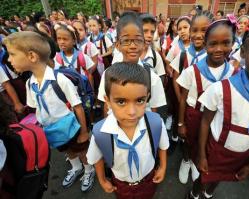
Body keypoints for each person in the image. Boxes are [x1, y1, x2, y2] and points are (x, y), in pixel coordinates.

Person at [187, 18, 249, 199]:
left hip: (244, 154)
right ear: (243, 52)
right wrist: (201, 154)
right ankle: (194, 194)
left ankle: (209, 193)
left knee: (220, 179)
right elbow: (205, 122)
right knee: (205, 176)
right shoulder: (221, 89)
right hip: (215, 150)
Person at [3, 31, 95, 192]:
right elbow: (36, 108)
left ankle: (89, 170)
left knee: (80, 149)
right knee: (66, 149)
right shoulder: (30, 83)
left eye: (12, 54)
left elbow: (78, 106)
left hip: (71, 126)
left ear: (32, 56)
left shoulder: (60, 80)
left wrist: (84, 132)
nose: (9, 59)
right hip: (52, 129)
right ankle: (76, 168)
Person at [87, 62, 169, 199]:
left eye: (140, 100)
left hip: (148, 179)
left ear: (147, 97)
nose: (132, 112)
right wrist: (102, 179)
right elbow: (97, 157)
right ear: (107, 101)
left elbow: (163, 146)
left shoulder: (155, 122)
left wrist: (163, 166)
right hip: (120, 183)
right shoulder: (101, 132)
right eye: (121, 102)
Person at [177, 16, 236, 185]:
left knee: (208, 143)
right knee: (189, 140)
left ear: (233, 44)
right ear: (205, 44)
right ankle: (187, 160)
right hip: (194, 113)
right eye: (213, 44)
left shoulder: (232, 72)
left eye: (226, 43)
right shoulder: (192, 71)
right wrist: (180, 123)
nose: (219, 49)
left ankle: (197, 161)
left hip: (217, 117)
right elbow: (182, 98)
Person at [98, 12, 166, 116]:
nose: (133, 46)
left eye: (138, 40)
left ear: (143, 43)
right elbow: (107, 107)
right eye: (126, 41)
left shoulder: (152, 77)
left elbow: (153, 111)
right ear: (117, 45)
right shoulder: (108, 75)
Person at [53, 23, 95, 90]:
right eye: (59, 39)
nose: (62, 42)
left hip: (83, 92)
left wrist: (91, 92)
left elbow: (89, 75)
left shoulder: (83, 57)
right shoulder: (56, 59)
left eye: (65, 39)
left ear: (74, 41)